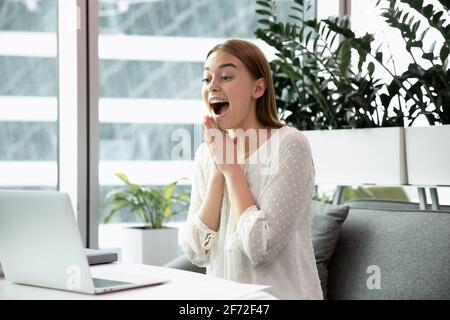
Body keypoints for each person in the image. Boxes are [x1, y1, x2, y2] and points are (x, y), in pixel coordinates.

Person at [178, 39, 323, 300]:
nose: (213, 85)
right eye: (207, 78)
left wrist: (232, 171)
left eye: (226, 76)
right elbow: (197, 251)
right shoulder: (206, 154)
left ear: (258, 88)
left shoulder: (289, 145)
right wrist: (218, 168)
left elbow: (260, 247)